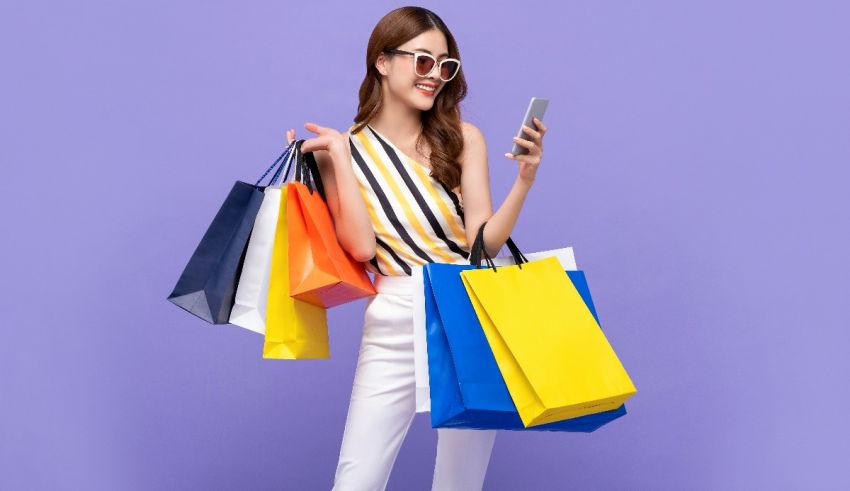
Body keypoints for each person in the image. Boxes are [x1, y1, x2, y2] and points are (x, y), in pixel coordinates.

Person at [287, 6, 547, 490]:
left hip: (469, 308)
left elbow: (482, 244)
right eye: (422, 61)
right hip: (395, 311)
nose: (435, 77)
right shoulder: (341, 150)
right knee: (356, 479)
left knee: (460, 481)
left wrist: (524, 182)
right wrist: (341, 159)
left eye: (445, 66)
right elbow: (363, 248)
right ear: (382, 61)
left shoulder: (464, 140)